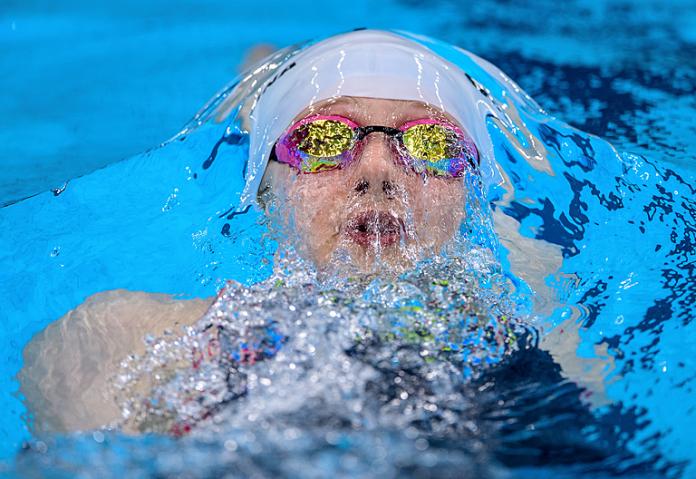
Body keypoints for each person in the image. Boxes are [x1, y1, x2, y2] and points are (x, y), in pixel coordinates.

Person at [17, 29, 612, 435]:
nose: (378, 172)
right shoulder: (107, 341)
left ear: (469, 199)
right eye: (321, 140)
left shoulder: (545, 336)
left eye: (433, 146)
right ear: (262, 190)